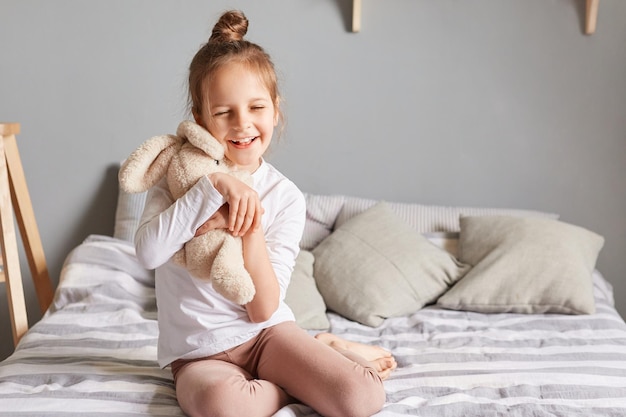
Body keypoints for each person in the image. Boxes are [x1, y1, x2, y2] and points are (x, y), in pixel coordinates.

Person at [134, 10, 396, 417]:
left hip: (268, 334)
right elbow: (149, 253)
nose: (243, 124)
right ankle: (303, 376)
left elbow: (262, 310)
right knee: (223, 405)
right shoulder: (177, 179)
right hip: (199, 354)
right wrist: (213, 187)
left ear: (275, 110)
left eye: (257, 107)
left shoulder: (284, 196)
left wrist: (249, 227)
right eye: (224, 113)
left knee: (361, 397)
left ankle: (320, 346)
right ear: (201, 120)